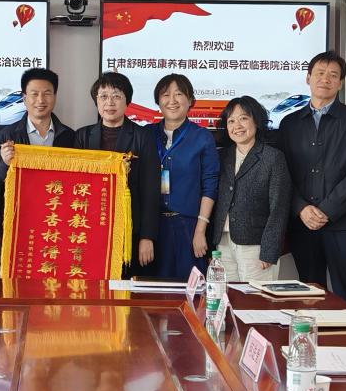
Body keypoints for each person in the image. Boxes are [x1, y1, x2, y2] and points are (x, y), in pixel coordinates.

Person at [278, 50, 346, 304]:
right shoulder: (289, 123)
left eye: (333, 75)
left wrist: (327, 210)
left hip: (345, 225)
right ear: (308, 78)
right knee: (309, 296)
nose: (325, 79)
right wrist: (301, 208)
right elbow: (282, 174)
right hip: (303, 224)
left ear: (340, 83)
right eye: (320, 73)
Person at [75, 72, 160, 277]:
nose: (110, 102)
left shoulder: (142, 137)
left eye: (116, 96)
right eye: (103, 96)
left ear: (127, 101)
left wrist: (147, 237)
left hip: (129, 230)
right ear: (96, 101)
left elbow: (151, 189)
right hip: (90, 229)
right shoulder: (82, 136)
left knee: (125, 286)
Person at [144, 74, 219, 281]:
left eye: (178, 94)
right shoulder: (146, 134)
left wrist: (200, 231)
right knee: (151, 290)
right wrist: (144, 234)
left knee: (189, 288)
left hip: (188, 226)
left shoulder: (202, 137)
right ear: (158, 101)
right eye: (165, 95)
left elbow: (210, 185)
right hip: (153, 227)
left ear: (190, 100)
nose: (172, 100)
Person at [209, 95, 291, 282]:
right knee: (226, 294)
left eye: (243, 118)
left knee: (255, 298)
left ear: (256, 121)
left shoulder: (273, 158)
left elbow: (279, 208)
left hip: (256, 245)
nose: (237, 125)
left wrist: (269, 250)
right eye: (231, 121)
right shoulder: (222, 157)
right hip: (222, 243)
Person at [0, 67, 76, 189]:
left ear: (55, 97)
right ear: (24, 99)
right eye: (34, 94)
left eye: (47, 94)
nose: (40, 100)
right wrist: (5, 163)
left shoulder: (69, 136)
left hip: (56, 199)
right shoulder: (6, 136)